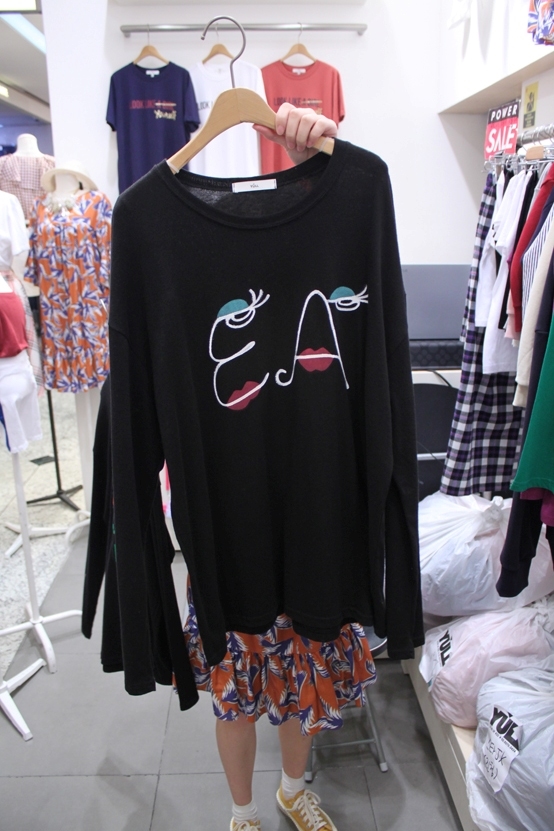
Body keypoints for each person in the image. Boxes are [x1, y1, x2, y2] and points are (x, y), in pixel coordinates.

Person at [182, 104, 377, 831]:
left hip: (313, 512)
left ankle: (292, 790)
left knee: (305, 671)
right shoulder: (161, 228)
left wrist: (322, 154)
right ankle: (242, 812)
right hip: (230, 525)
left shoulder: (352, 204)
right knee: (235, 688)